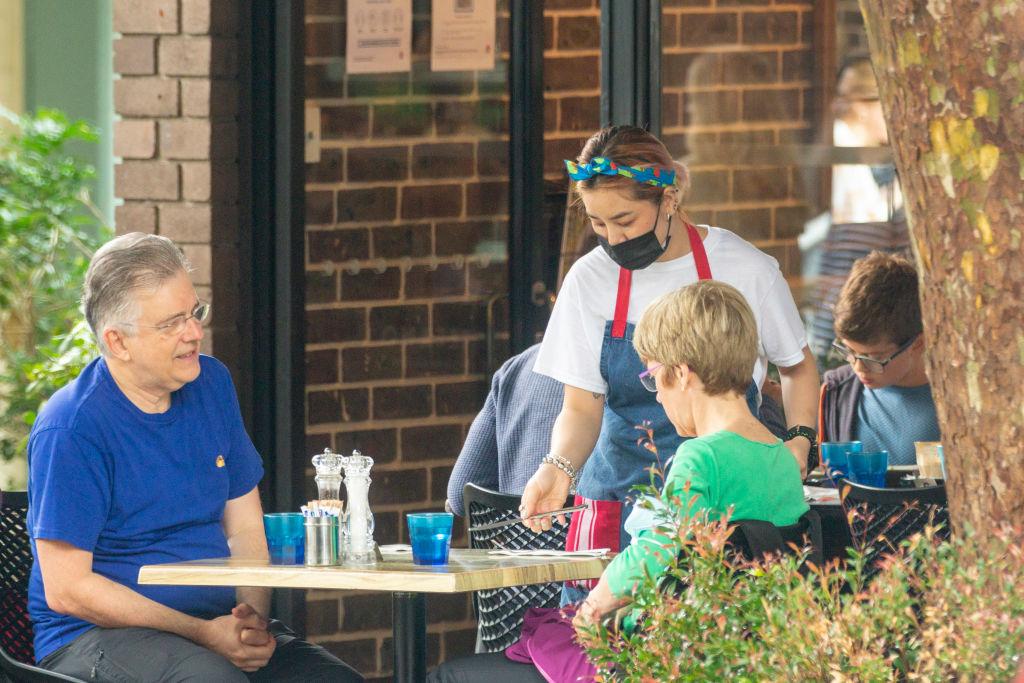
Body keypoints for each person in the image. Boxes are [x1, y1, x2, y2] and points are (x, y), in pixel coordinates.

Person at [428, 281, 810, 682]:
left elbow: (655, 553)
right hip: (738, 655)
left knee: (456, 673)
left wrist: (592, 607)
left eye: (654, 378)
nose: (657, 398)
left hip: (663, 657)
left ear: (681, 374)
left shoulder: (701, 456)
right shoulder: (783, 457)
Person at [26, 233, 362, 682]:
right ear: (117, 341)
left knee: (333, 680)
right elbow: (69, 590)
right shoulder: (71, 427)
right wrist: (203, 633)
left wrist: (250, 622)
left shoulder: (211, 385)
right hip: (93, 637)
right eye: (171, 324)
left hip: (216, 624)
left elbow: (245, 528)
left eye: (194, 313)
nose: (193, 333)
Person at [519, 126, 820, 603]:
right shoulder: (588, 279)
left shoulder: (746, 267)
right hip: (616, 501)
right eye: (598, 225)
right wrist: (557, 468)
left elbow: (798, 367)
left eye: (625, 220)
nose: (614, 239)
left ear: (670, 198)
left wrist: (799, 445)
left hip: (723, 504)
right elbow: (581, 407)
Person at [819, 251, 940, 466]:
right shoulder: (838, 393)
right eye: (850, 352)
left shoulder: (954, 398)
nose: (859, 368)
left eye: (875, 358)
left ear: (918, 343)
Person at [446, 343, 563, 517]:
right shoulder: (613, 369)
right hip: (593, 539)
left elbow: (461, 495)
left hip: (516, 540)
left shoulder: (516, 369)